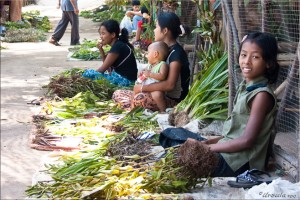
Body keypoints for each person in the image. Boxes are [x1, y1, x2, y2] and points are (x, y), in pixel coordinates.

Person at [160, 32, 280, 177]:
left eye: (255, 57)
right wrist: (208, 142)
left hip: (237, 162)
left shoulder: (262, 96)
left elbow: (247, 141)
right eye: (243, 55)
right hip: (227, 151)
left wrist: (208, 148)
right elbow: (231, 135)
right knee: (171, 134)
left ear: (269, 63)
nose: (247, 61)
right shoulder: (246, 88)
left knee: (176, 147)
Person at [113, 12, 190, 111]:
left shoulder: (176, 54)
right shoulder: (164, 49)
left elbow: (170, 85)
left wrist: (142, 88)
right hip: (155, 93)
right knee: (117, 94)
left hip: (172, 100)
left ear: (165, 30)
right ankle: (135, 106)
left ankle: (143, 107)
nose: (154, 30)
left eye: (156, 27)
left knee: (139, 100)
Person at [134, 41, 169, 112]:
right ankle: (134, 106)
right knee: (136, 89)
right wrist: (142, 74)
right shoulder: (149, 65)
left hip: (155, 88)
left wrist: (150, 74)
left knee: (158, 95)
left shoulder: (162, 64)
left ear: (155, 54)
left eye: (148, 53)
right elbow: (145, 74)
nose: (146, 55)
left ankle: (163, 111)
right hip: (147, 87)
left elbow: (162, 76)